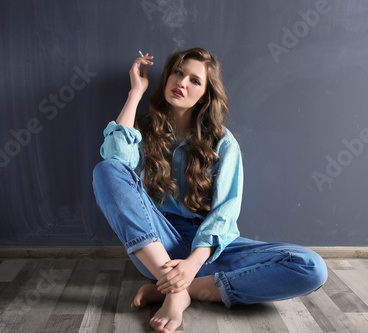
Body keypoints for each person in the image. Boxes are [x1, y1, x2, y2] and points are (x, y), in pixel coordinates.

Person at [92, 47, 327, 333]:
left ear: (205, 94)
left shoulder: (223, 143)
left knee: (310, 267)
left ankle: (181, 289)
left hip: (208, 251)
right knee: (107, 169)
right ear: (166, 77)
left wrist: (191, 265)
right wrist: (135, 93)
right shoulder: (141, 129)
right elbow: (116, 159)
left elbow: (225, 212)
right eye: (178, 73)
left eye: (194, 80)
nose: (181, 83)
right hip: (158, 244)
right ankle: (174, 288)